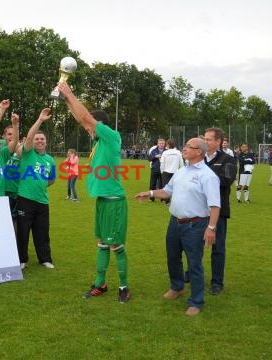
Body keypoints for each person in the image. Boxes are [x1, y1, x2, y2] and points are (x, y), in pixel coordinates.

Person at [59, 82, 131, 303]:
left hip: (114, 202)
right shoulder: (98, 142)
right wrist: (66, 100)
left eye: (93, 124)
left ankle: (124, 287)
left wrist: (70, 92)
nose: (88, 128)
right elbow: (83, 120)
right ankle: (101, 284)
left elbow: (86, 119)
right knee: (101, 243)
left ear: (101, 125)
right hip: (102, 200)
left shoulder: (111, 136)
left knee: (115, 245)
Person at [135, 137, 220, 316]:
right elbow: (167, 191)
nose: (185, 148)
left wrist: (211, 228)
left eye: (190, 146)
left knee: (194, 263)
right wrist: (149, 192)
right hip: (175, 223)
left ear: (199, 152)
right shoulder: (182, 171)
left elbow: (215, 205)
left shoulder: (208, 175)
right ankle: (177, 287)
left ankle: (196, 302)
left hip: (196, 226)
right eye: (186, 145)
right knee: (172, 258)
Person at [16, 108, 56, 270]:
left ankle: (45, 259)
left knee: (42, 232)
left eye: (42, 139)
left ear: (46, 142)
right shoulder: (28, 153)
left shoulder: (50, 160)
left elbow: (51, 180)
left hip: (42, 201)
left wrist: (40, 185)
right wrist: (40, 119)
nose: (39, 141)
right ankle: (22, 259)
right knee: (23, 232)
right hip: (25, 199)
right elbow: (30, 137)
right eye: (37, 139)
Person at [203, 128, 237, 295]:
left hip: (218, 210)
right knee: (194, 245)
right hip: (198, 210)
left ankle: (217, 282)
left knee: (217, 247)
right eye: (204, 139)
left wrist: (202, 177)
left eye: (209, 139)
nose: (205, 142)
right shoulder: (198, 159)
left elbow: (226, 180)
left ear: (218, 142)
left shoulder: (229, 160)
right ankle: (192, 273)